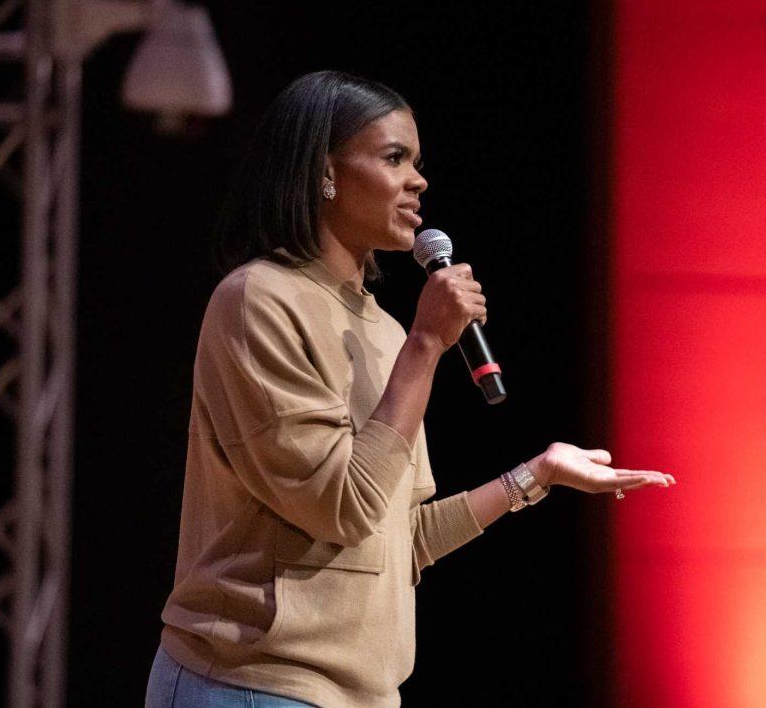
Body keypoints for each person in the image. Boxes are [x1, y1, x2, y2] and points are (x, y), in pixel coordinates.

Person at [145, 71, 676, 707]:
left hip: (360, 694)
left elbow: (398, 540)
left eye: (417, 162)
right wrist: (427, 345)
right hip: (252, 683)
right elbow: (342, 505)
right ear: (325, 172)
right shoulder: (258, 301)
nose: (419, 181)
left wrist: (534, 476)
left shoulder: (385, 329)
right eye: (394, 157)